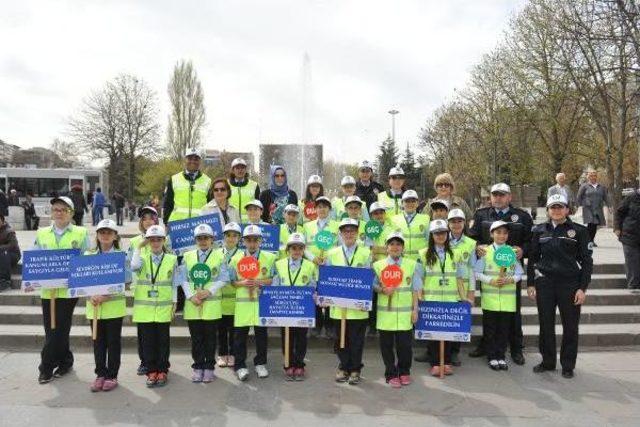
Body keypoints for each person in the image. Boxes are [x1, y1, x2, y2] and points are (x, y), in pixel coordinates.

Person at [528, 194, 593, 378]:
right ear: (548, 210)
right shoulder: (539, 230)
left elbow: (587, 261)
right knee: (546, 324)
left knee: (570, 326)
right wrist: (531, 283)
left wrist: (582, 288)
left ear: (567, 209)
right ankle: (548, 362)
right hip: (545, 283)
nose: (556, 210)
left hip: (570, 284)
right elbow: (533, 258)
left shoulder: (579, 231)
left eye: (560, 207)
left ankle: (567, 365)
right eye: (553, 207)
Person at [468, 183, 532, 365]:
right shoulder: (482, 215)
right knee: (489, 312)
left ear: (509, 197)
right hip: (489, 272)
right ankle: (487, 345)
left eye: (502, 195)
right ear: (490, 197)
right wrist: (477, 246)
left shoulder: (522, 216)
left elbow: (531, 241)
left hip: (511, 273)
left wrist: (522, 250)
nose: (498, 198)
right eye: (495, 195)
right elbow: (472, 237)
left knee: (513, 311)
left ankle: (516, 347)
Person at [29, 196, 90, 384]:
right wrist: (30, 277)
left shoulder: (80, 232)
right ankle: (65, 360)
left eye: (63, 210)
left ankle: (45, 367)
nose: (59, 213)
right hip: (48, 291)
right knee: (52, 329)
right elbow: (35, 256)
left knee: (60, 328)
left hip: (68, 291)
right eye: (56, 209)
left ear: (71, 213)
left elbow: (86, 256)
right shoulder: (42, 233)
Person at [130, 225, 181, 388]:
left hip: (163, 307)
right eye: (152, 240)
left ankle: (163, 370)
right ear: (148, 241)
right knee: (148, 342)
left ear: (164, 241)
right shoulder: (142, 258)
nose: (155, 243)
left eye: (159, 239)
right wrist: (139, 247)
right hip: (145, 309)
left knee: (163, 341)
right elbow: (133, 266)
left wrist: (175, 302)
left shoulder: (171, 259)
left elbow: (174, 284)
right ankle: (151, 370)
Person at [325, 218, 372, 385]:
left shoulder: (366, 253)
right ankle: (343, 366)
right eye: (346, 231)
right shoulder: (332, 253)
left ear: (357, 233)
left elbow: (368, 279)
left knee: (357, 340)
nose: (349, 233)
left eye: (352, 230)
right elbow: (328, 279)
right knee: (340, 339)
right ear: (341, 234)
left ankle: (355, 369)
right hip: (339, 307)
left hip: (358, 308)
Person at [372, 232, 422, 388]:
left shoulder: (412, 265)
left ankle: (404, 371)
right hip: (386, 314)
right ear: (386, 247)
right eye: (392, 244)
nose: (395, 247)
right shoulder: (378, 265)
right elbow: (373, 285)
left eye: (398, 244)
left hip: (405, 314)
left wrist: (415, 310)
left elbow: (416, 289)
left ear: (403, 247)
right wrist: (382, 290)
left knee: (405, 347)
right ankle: (391, 373)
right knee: (386, 347)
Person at [419, 219, 468, 377]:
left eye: (443, 233)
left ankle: (446, 362)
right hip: (431, 300)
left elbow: (459, 278)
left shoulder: (455, 253)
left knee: (448, 333)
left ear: (447, 234)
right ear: (432, 235)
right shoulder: (423, 253)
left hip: (450, 300)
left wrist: (464, 298)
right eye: (437, 233)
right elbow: (418, 279)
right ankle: (435, 363)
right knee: (433, 334)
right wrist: (420, 298)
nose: (440, 236)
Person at [182, 224, 229, 383]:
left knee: (210, 339)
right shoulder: (187, 256)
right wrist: (190, 296)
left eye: (206, 238)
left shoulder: (220, 256)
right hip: (193, 304)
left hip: (211, 304)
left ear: (212, 240)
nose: (203, 241)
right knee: (196, 339)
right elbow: (182, 279)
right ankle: (198, 366)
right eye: (200, 238)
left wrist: (209, 291)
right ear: (195, 240)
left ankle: (209, 367)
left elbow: (224, 278)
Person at [229, 224, 277, 381]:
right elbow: (232, 282)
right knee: (239, 337)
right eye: (248, 240)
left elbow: (274, 279)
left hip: (261, 302)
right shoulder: (236, 259)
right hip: (243, 304)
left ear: (260, 241)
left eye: (255, 240)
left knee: (261, 335)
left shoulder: (270, 258)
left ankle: (260, 363)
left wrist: (259, 282)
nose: (252, 243)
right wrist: (243, 283)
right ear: (243, 241)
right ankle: (240, 365)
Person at [474, 220, 524, 372]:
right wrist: (491, 280)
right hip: (490, 298)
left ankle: (501, 355)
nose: (501, 235)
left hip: (508, 300)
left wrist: (510, 279)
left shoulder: (511, 252)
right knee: (490, 329)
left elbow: (519, 273)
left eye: (504, 233)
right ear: (491, 234)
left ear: (508, 235)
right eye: (498, 232)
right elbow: (477, 273)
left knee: (503, 330)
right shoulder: (485, 252)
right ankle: (491, 356)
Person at [86, 219, 127, 392]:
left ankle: (112, 375)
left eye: (109, 232)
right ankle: (100, 374)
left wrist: (105, 296)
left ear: (115, 236)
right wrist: (90, 295)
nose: (105, 235)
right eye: (102, 232)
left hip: (113, 308)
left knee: (113, 342)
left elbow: (126, 280)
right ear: (97, 235)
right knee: (98, 343)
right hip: (94, 307)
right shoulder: (88, 256)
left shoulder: (121, 256)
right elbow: (81, 281)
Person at [272, 233, 318, 381]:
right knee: (287, 337)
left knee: (301, 337)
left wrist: (314, 295)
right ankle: (288, 364)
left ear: (303, 250)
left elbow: (313, 285)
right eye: (293, 248)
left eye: (299, 248)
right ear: (288, 250)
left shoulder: (310, 266)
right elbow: (275, 285)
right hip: (284, 308)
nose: (296, 251)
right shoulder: (279, 264)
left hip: (302, 309)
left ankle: (299, 365)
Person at [127, 206, 160, 376]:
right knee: (143, 330)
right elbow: (129, 266)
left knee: (159, 329)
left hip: (160, 292)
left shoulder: (163, 239)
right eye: (144, 218)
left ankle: (159, 362)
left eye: (151, 218)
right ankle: (145, 361)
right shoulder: (134, 242)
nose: (148, 221)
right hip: (141, 291)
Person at [303, 196, 339, 338]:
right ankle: (317, 325)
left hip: (330, 267)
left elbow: (340, 246)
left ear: (329, 209)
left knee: (329, 297)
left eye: (325, 206)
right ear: (315, 209)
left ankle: (329, 326)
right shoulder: (308, 226)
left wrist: (329, 260)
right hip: (314, 267)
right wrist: (313, 258)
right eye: (319, 206)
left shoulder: (336, 225)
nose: (322, 209)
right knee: (316, 296)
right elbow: (304, 247)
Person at [446, 208, 476, 366]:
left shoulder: (471, 243)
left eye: (459, 221)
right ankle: (438, 353)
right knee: (444, 320)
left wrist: (471, 292)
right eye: (453, 221)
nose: (456, 224)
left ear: (464, 223)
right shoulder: (442, 239)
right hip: (444, 287)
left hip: (462, 289)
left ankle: (454, 353)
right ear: (448, 223)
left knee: (457, 321)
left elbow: (472, 269)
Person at [215, 222, 242, 368]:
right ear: (223, 237)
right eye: (228, 236)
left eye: (234, 236)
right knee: (220, 330)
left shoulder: (243, 254)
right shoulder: (216, 253)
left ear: (239, 238)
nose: (231, 239)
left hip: (235, 300)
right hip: (219, 299)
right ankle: (221, 354)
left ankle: (232, 354)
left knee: (234, 330)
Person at [163, 148, 213, 224]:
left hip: (200, 226)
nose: (193, 161)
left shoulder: (208, 181)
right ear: (185, 160)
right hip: (178, 225)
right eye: (189, 158)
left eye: (196, 159)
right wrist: (166, 223)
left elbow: (211, 205)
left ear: (200, 161)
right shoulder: (173, 179)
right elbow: (168, 204)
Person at [390, 190, 430, 260]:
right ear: (402, 203)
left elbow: (430, 241)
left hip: (420, 261)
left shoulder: (426, 219)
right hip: (400, 261)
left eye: (413, 201)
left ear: (417, 203)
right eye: (407, 201)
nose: (410, 204)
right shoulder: (394, 220)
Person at [615, 187, 640, 290]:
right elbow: (619, 212)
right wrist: (617, 228)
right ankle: (633, 285)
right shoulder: (631, 197)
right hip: (629, 234)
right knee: (632, 261)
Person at [576, 169, 609, 246]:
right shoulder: (584, 186)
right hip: (588, 208)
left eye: (594, 176)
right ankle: (588, 240)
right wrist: (578, 206)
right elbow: (579, 197)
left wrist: (609, 205)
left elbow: (605, 197)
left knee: (594, 225)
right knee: (591, 223)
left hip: (598, 208)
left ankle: (591, 240)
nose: (593, 177)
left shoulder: (601, 187)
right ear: (588, 177)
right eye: (591, 176)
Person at [228, 157, 261, 223]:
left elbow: (258, 205)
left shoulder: (254, 185)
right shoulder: (226, 185)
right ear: (233, 170)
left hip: (249, 224)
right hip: (231, 223)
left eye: (242, 168)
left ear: (246, 170)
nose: (240, 170)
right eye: (237, 168)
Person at [0, 213, 20, 291]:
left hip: (13, 255)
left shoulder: (9, 231)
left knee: (3, 253)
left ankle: (5, 281)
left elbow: (12, 245)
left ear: (2, 221)